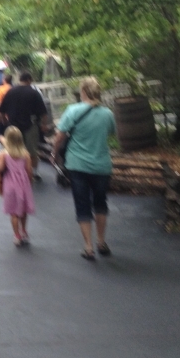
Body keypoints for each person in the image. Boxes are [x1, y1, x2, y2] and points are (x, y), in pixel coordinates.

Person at [51, 76, 117, 261]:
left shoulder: (73, 110)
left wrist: (54, 154)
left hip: (77, 165)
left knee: (82, 205)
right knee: (100, 203)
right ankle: (101, 242)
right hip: (101, 165)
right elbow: (111, 133)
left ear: (84, 92)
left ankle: (88, 247)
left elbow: (59, 136)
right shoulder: (108, 114)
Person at [0, 71, 51, 181]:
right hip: (30, 125)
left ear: (20, 80)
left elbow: (1, 111)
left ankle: (14, 171)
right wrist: (44, 125)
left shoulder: (10, 92)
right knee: (32, 151)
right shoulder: (34, 93)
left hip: (13, 127)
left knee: (13, 149)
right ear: (29, 80)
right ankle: (34, 173)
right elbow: (43, 113)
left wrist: (3, 122)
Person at [0, 125, 36, 246]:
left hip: (10, 185)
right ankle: (24, 231)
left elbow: (0, 168)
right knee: (23, 210)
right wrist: (29, 181)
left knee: (14, 212)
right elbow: (29, 170)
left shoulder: (4, 154)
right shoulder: (25, 154)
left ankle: (17, 235)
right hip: (23, 184)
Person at [0, 73, 13, 139]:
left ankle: (6, 146)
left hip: (3, 114)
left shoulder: (0, 89)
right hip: (11, 114)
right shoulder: (13, 88)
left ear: (4, 80)